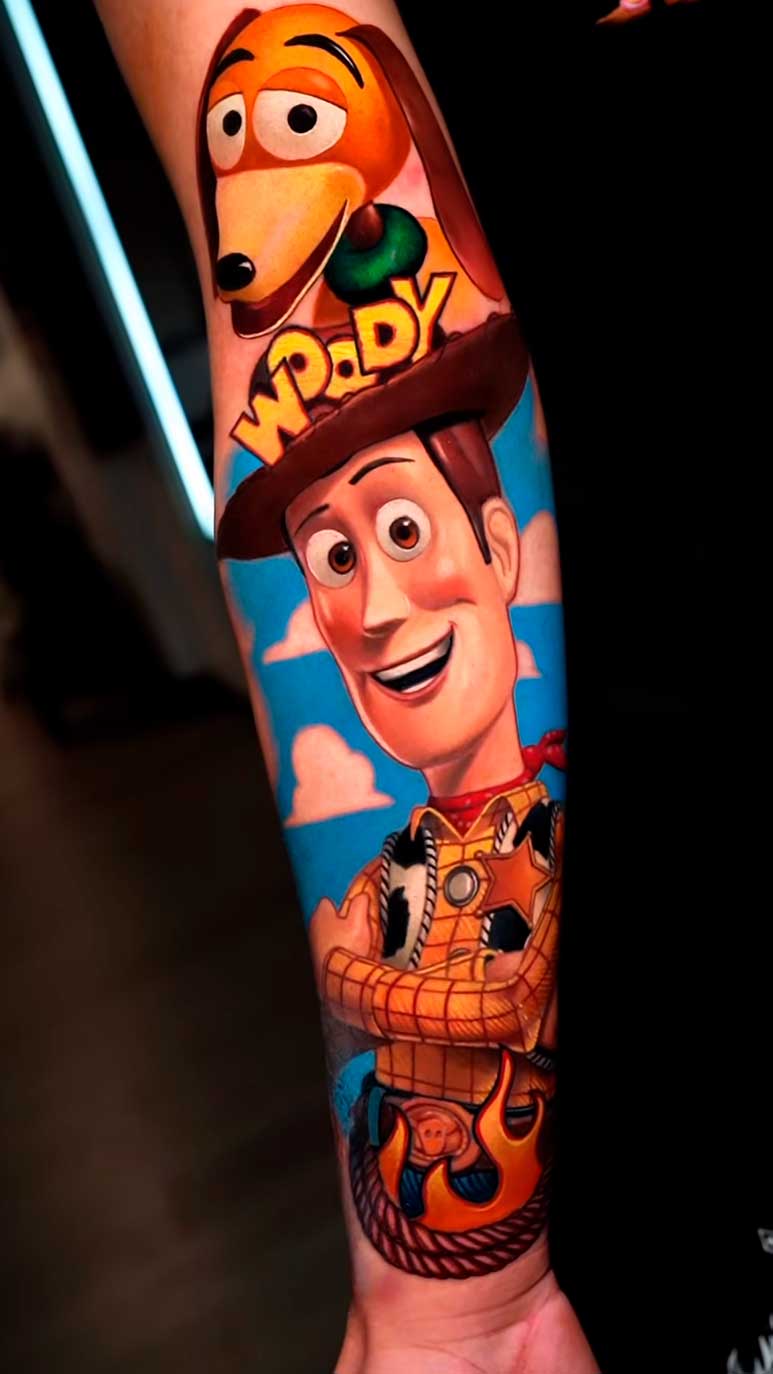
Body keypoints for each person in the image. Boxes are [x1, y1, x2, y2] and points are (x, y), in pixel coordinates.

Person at [92, 2, 599, 1369]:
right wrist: (463, 1295)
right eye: (331, 556)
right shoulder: (407, 873)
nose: (371, 608)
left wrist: (459, 1303)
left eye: (403, 530)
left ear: (494, 546)